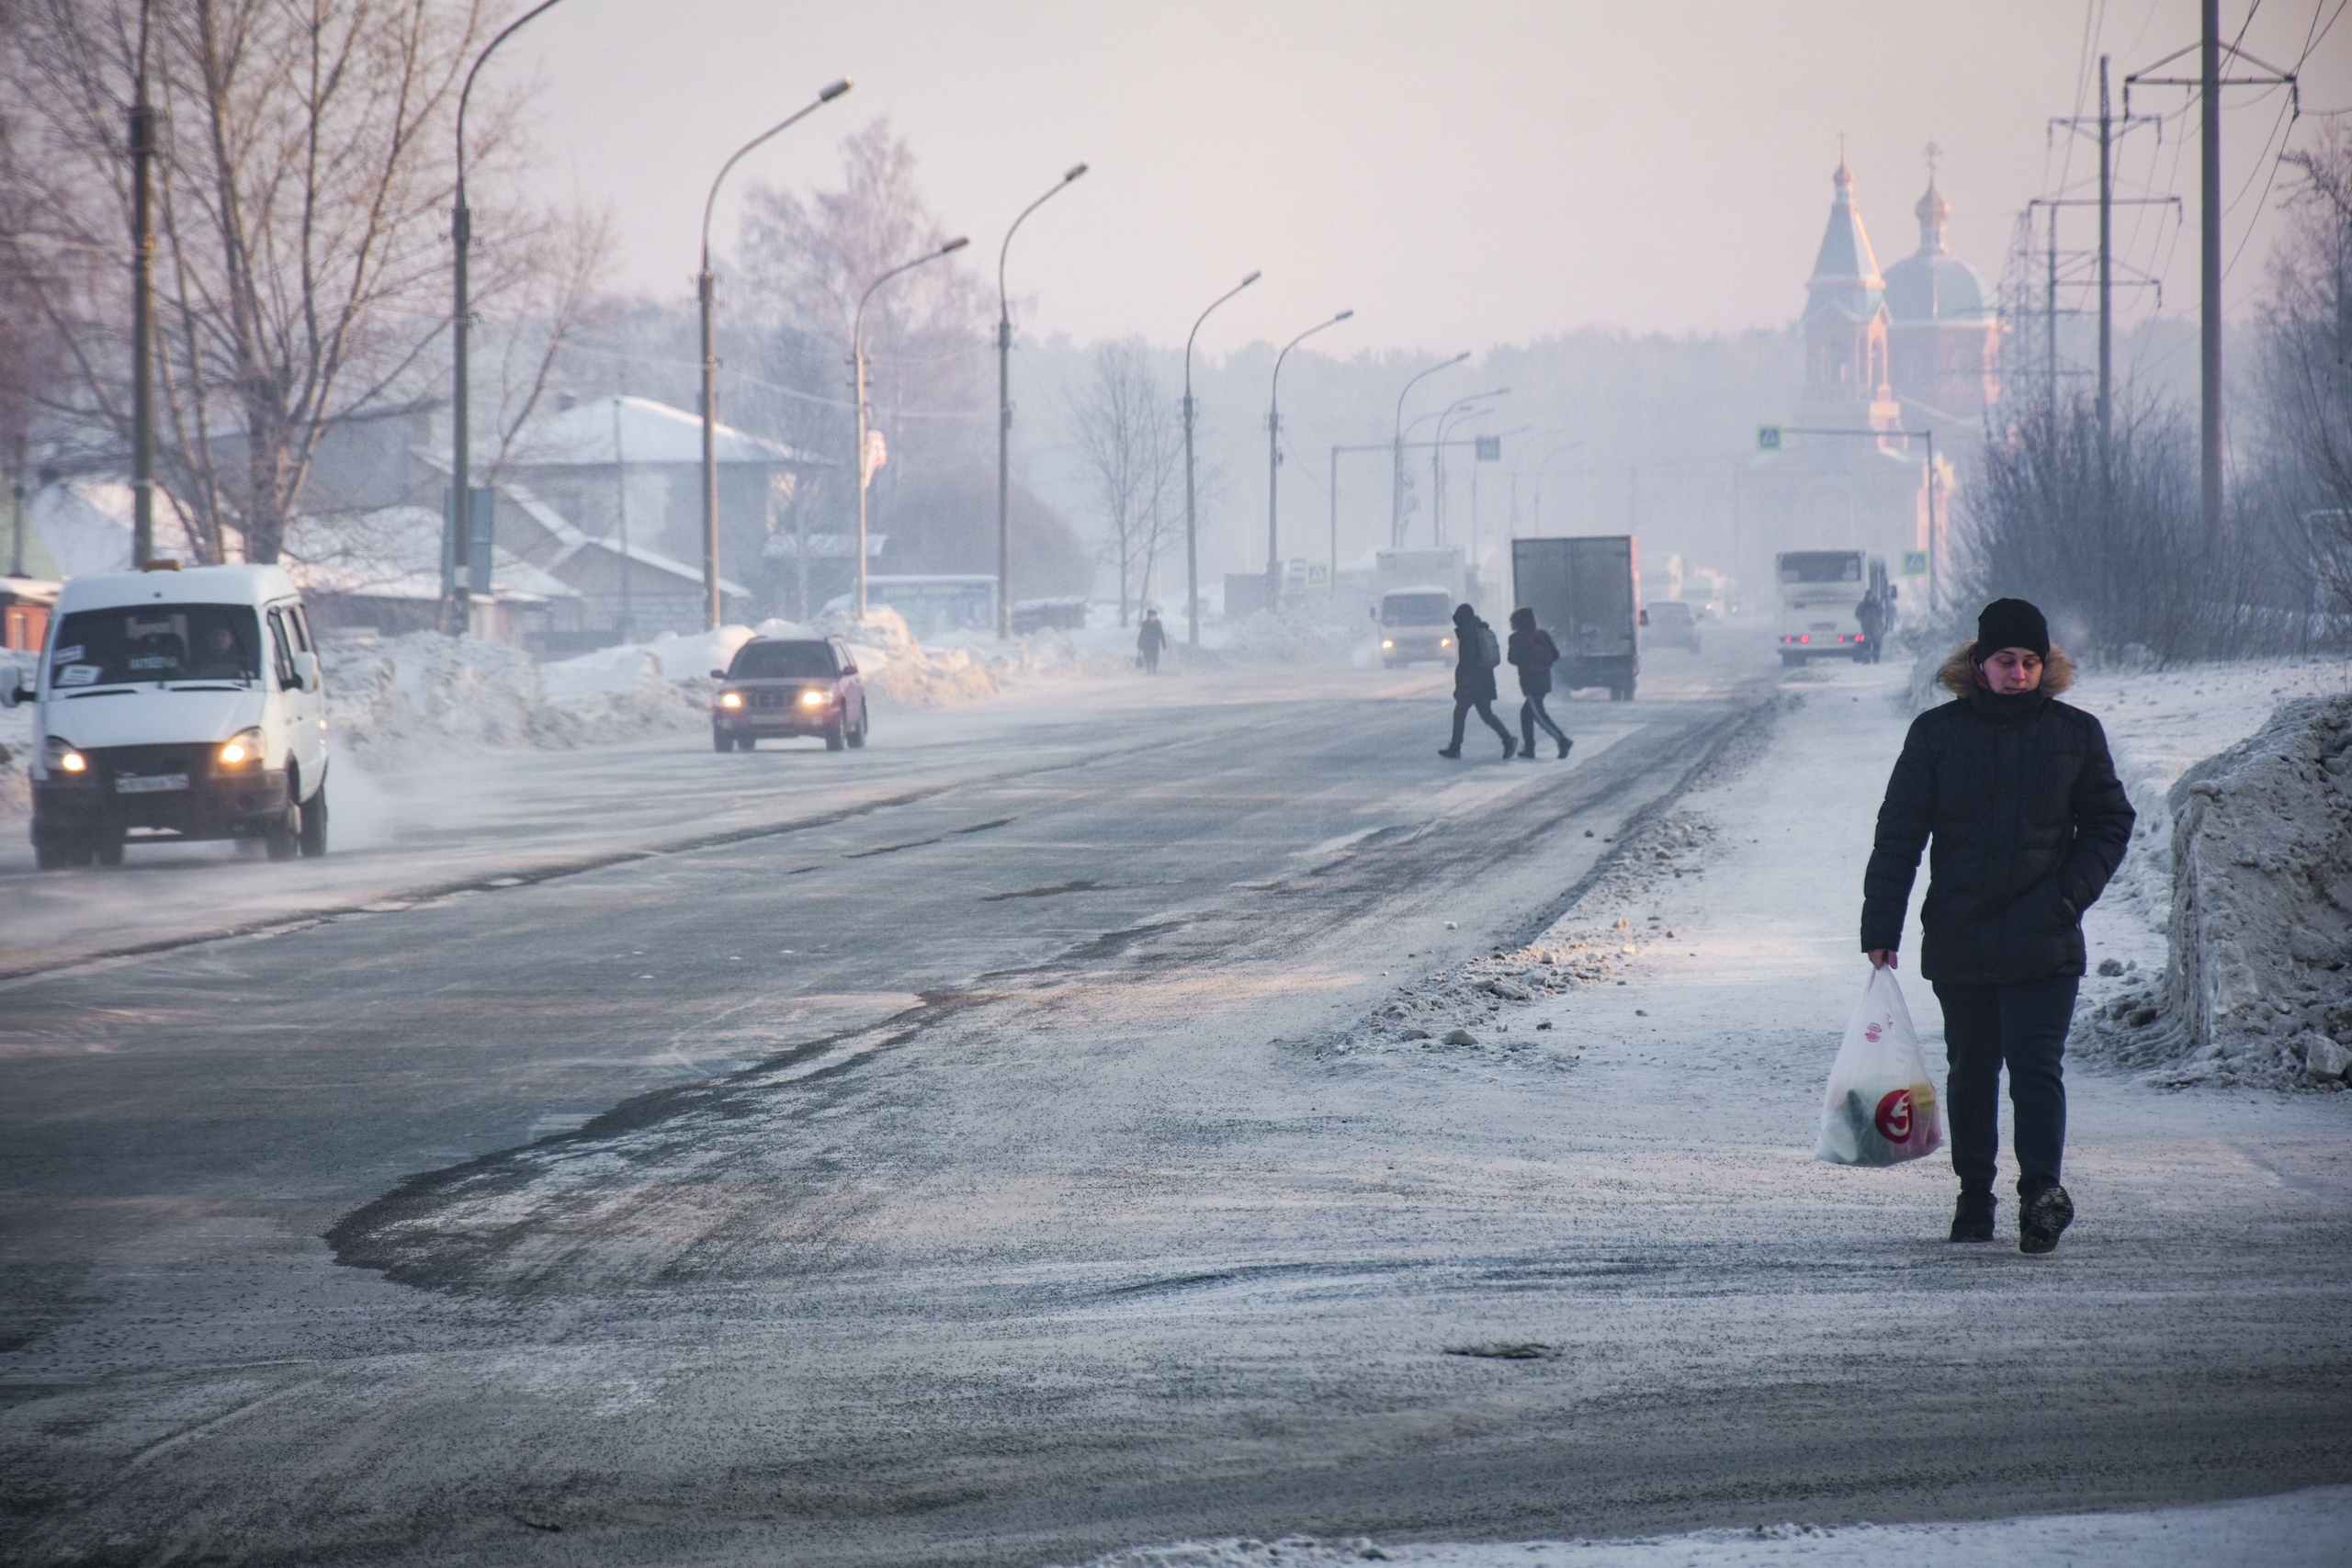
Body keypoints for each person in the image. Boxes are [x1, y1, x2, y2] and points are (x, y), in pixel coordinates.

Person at [1860, 598, 2133, 1255]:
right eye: (2006, 660)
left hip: (2046, 933)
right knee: (1973, 1070)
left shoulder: (2075, 734)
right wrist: (1881, 922)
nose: (2018, 673)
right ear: (1979, 664)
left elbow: (2108, 822)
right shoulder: (1937, 735)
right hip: (1963, 933)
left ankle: (2041, 1193)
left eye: (2030, 661)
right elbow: (1899, 834)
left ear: (2046, 665)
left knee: (2037, 1066)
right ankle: (1973, 1197)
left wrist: (2068, 897)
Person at [1438, 602, 1515, 760]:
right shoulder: (1480, 628)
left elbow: (1467, 662)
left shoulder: (1467, 633)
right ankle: (1507, 739)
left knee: (1460, 713)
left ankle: (1455, 747)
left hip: (1472, 682)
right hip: (1484, 679)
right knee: (1486, 713)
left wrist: (1461, 686)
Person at [1506, 606, 1571, 761]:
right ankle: (1529, 748)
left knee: (1539, 715)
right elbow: (1555, 655)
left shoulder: (1517, 638)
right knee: (1526, 714)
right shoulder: (1542, 635)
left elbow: (1512, 659)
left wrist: (1526, 662)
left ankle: (1562, 740)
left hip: (1530, 681)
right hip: (1544, 679)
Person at [1856, 590, 1887, 664]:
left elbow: (1882, 613)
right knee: (1866, 644)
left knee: (1877, 643)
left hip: (1876, 627)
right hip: (1866, 628)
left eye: (1871, 595)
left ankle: (1876, 659)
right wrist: (1862, 619)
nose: (1870, 597)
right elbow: (1857, 614)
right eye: (1868, 595)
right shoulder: (1863, 605)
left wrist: (1879, 622)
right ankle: (1867, 659)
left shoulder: (1878, 604)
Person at [1136, 609, 1167, 675]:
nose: (1153, 617)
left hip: (1155, 643)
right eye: (1152, 616)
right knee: (1147, 657)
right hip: (1146, 643)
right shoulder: (1145, 624)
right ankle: (1148, 670)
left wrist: (1164, 644)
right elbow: (1142, 634)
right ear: (1149, 616)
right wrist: (1139, 643)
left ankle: (1154, 670)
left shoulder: (1158, 624)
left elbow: (1161, 635)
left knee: (1155, 657)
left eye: (1154, 616)